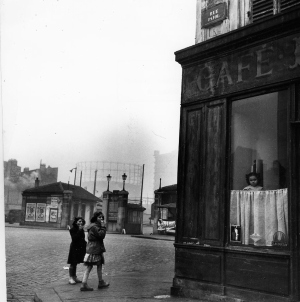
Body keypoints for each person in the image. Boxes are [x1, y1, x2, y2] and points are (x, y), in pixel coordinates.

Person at [80, 212, 109, 291]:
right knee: (90, 266)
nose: (101, 219)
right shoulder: (95, 227)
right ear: (96, 218)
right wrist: (103, 227)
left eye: (102, 217)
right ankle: (85, 284)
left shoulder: (93, 226)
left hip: (94, 248)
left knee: (97, 265)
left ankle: (99, 282)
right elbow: (101, 235)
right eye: (99, 217)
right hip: (94, 249)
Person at [67, 217, 87, 285]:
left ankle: (74, 277)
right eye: (79, 221)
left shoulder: (81, 229)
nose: (80, 223)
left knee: (76, 263)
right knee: (72, 263)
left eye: (81, 221)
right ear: (76, 222)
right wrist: (79, 230)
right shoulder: (73, 229)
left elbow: (82, 238)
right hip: (74, 247)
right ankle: (70, 278)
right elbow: (74, 238)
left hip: (80, 248)